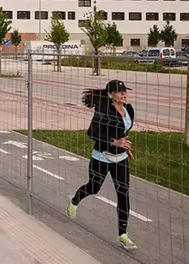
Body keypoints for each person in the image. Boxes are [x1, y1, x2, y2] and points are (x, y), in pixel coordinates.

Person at [67, 79, 137, 250]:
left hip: (120, 159)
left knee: (123, 194)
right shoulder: (103, 110)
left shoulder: (129, 109)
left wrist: (124, 147)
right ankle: (75, 200)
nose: (124, 94)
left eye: (125, 91)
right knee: (94, 187)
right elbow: (92, 133)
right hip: (101, 157)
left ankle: (123, 234)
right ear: (110, 94)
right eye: (120, 92)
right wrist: (115, 142)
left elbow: (123, 131)